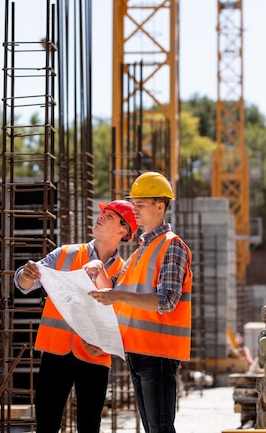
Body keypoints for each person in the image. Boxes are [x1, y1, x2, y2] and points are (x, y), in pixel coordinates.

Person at [14, 199, 138, 433]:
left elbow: (125, 318)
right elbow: (24, 281)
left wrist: (108, 346)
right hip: (55, 352)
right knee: (46, 426)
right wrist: (26, 275)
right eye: (102, 213)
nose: (100, 216)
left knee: (89, 428)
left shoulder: (125, 271)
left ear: (123, 230)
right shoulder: (66, 254)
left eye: (109, 216)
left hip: (95, 356)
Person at [86, 171, 192, 433]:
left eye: (140, 205)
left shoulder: (172, 246)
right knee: (153, 428)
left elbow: (166, 301)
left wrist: (117, 295)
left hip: (157, 353)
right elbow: (119, 299)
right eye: (134, 204)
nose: (135, 210)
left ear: (160, 205)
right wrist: (98, 267)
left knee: (160, 428)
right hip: (138, 352)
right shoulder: (141, 250)